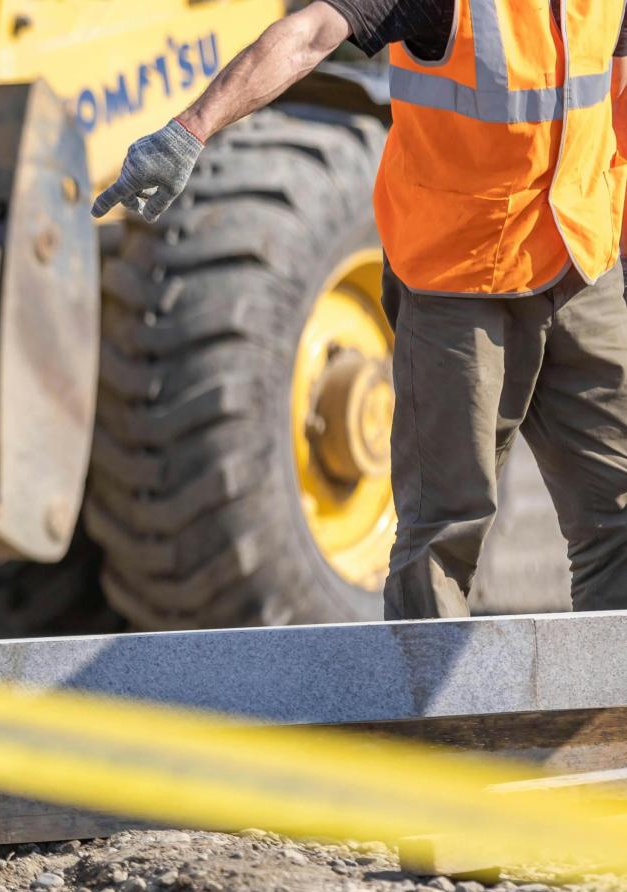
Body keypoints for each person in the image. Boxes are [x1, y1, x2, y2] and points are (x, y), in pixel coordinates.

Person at [93, 0, 627, 622]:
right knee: (444, 532)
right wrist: (191, 127)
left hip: (579, 262)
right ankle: (433, 719)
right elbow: (313, 31)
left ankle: (609, 712)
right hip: (459, 280)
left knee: (617, 512)